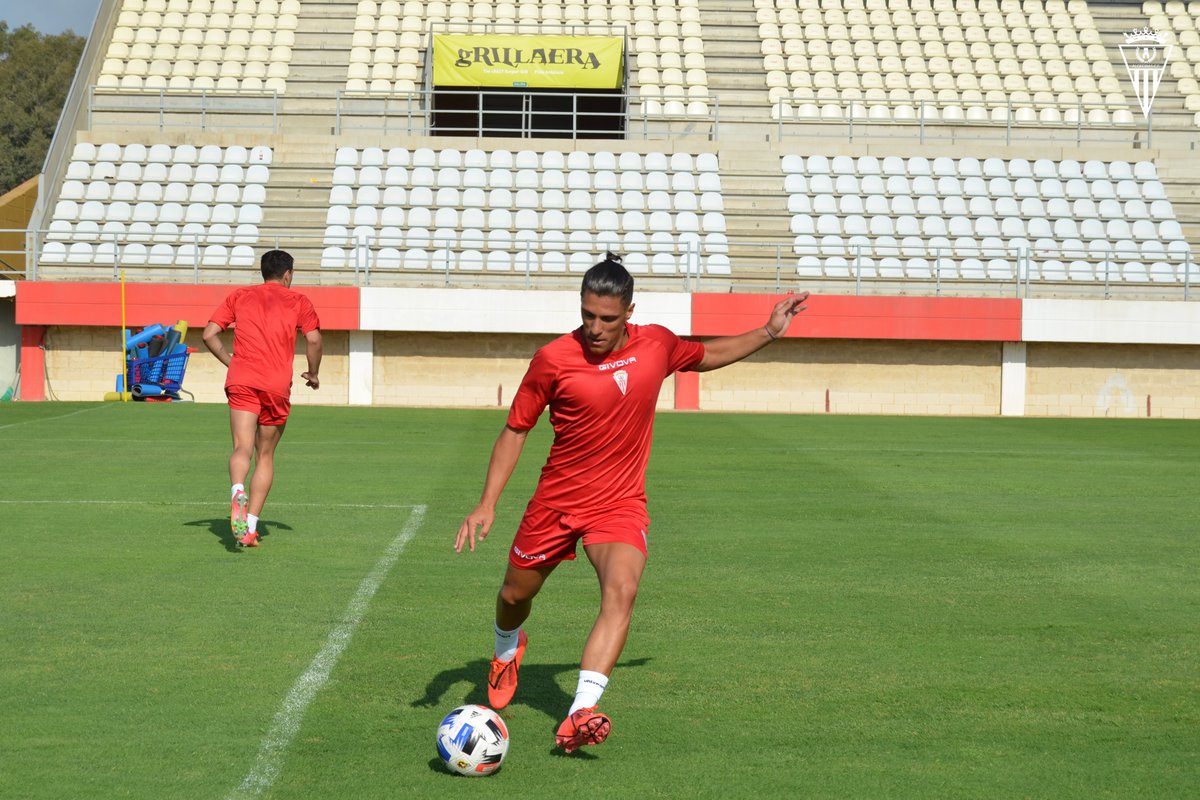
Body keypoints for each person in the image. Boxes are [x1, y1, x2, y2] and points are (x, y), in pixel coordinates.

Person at [455, 253, 808, 752]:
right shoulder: (553, 359)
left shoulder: (657, 344)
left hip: (619, 503)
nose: (595, 328)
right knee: (514, 596)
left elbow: (707, 355)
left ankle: (579, 714)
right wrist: (486, 503)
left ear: (629, 311)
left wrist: (768, 332)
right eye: (587, 315)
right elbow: (516, 430)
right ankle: (507, 649)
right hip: (556, 502)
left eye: (608, 318)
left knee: (621, 591)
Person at [202, 249, 322, 548]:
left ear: (262, 272)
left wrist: (233, 363)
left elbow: (208, 334)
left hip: (242, 379)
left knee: (242, 447)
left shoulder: (240, 295)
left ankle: (237, 490)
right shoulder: (299, 301)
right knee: (265, 455)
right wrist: (313, 372)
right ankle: (250, 527)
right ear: (288, 274)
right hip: (275, 385)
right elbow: (315, 339)